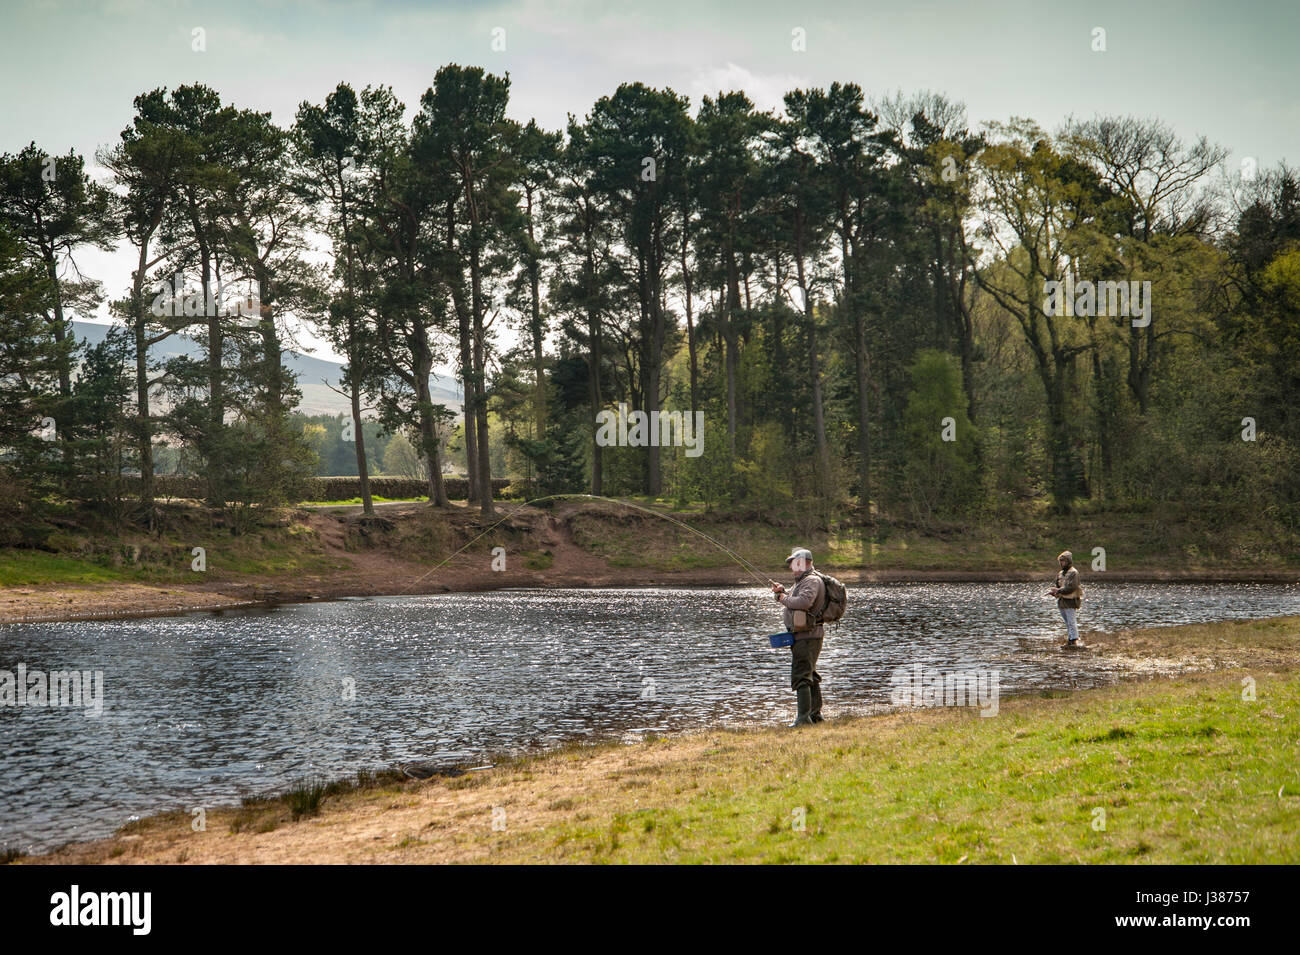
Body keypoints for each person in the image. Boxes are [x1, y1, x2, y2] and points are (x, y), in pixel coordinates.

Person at [771, 547, 826, 726]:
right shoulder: (802, 582)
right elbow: (794, 600)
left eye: (794, 563)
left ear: (804, 563)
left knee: (801, 675)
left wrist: (782, 598)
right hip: (803, 636)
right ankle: (815, 715)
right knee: (810, 674)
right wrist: (782, 592)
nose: (791, 567)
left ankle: (803, 719)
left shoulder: (811, 581)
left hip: (807, 636)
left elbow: (803, 602)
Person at [1049, 550, 1083, 647]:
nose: (1061, 563)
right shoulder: (1060, 574)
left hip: (1071, 601)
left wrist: (1058, 591)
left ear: (1068, 561)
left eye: (1063, 561)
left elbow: (1072, 587)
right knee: (1068, 622)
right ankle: (1071, 638)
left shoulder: (1074, 573)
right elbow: (1058, 586)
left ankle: (1074, 640)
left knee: (1071, 622)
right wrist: (1054, 592)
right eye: (1060, 561)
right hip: (1062, 601)